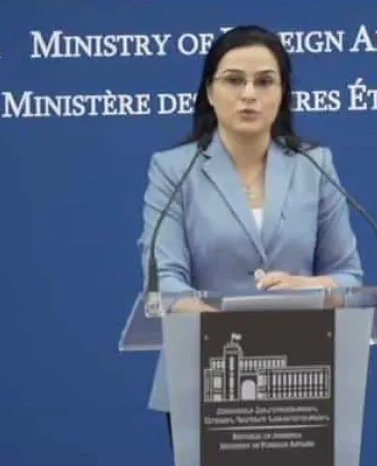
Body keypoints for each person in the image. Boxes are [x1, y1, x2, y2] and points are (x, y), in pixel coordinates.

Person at [136, 24, 364, 444]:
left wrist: (308, 288)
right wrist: (232, 327)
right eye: (234, 80)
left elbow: (349, 277)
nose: (248, 94)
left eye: (264, 81)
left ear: (282, 93)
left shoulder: (315, 165)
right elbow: (163, 282)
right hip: (201, 377)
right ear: (210, 91)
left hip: (300, 376)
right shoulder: (173, 170)